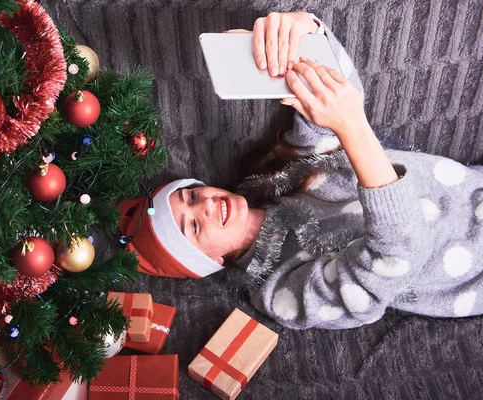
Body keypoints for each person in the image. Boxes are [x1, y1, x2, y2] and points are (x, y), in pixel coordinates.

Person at [119, 12, 483, 329]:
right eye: (194, 226)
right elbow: (393, 260)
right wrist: (354, 129)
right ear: (210, 261)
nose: (207, 206)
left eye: (193, 196)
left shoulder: (283, 174)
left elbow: (336, 94)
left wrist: (302, 32)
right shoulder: (279, 292)